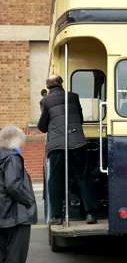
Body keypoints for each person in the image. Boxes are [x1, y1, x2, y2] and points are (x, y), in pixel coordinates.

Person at [38, 74, 97, 225]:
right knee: (83, 177)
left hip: (58, 146)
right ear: (61, 83)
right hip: (78, 142)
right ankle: (90, 214)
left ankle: (57, 216)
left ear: (48, 86)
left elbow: (42, 127)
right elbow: (80, 119)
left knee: (55, 180)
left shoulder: (46, 101)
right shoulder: (74, 97)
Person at [0, 125, 37, 263]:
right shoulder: (12, 158)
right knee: (16, 257)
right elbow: (13, 185)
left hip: (3, 217)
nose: (22, 145)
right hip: (16, 217)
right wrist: (29, 201)